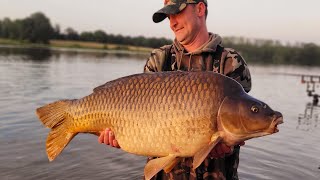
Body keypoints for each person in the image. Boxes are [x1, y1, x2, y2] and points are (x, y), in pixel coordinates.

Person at [98, 0, 252, 179]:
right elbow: (138, 115)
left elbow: (240, 121)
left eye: (177, 13)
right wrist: (121, 134)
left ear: (200, 9)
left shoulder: (230, 62)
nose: (172, 23)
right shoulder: (159, 59)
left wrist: (228, 143)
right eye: (169, 17)